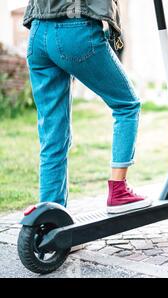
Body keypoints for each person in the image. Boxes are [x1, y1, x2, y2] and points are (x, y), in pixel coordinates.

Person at [23, 0, 151, 214]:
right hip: (75, 30)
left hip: (37, 34)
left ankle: (51, 216)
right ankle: (119, 191)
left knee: (53, 134)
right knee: (127, 105)